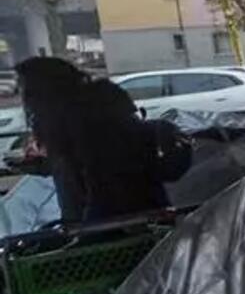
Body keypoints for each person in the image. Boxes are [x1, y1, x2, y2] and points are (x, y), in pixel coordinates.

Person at [19, 57, 190, 223]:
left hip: (121, 231)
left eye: (25, 90)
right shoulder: (95, 115)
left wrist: (81, 237)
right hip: (144, 221)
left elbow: (103, 187)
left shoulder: (84, 127)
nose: (24, 100)